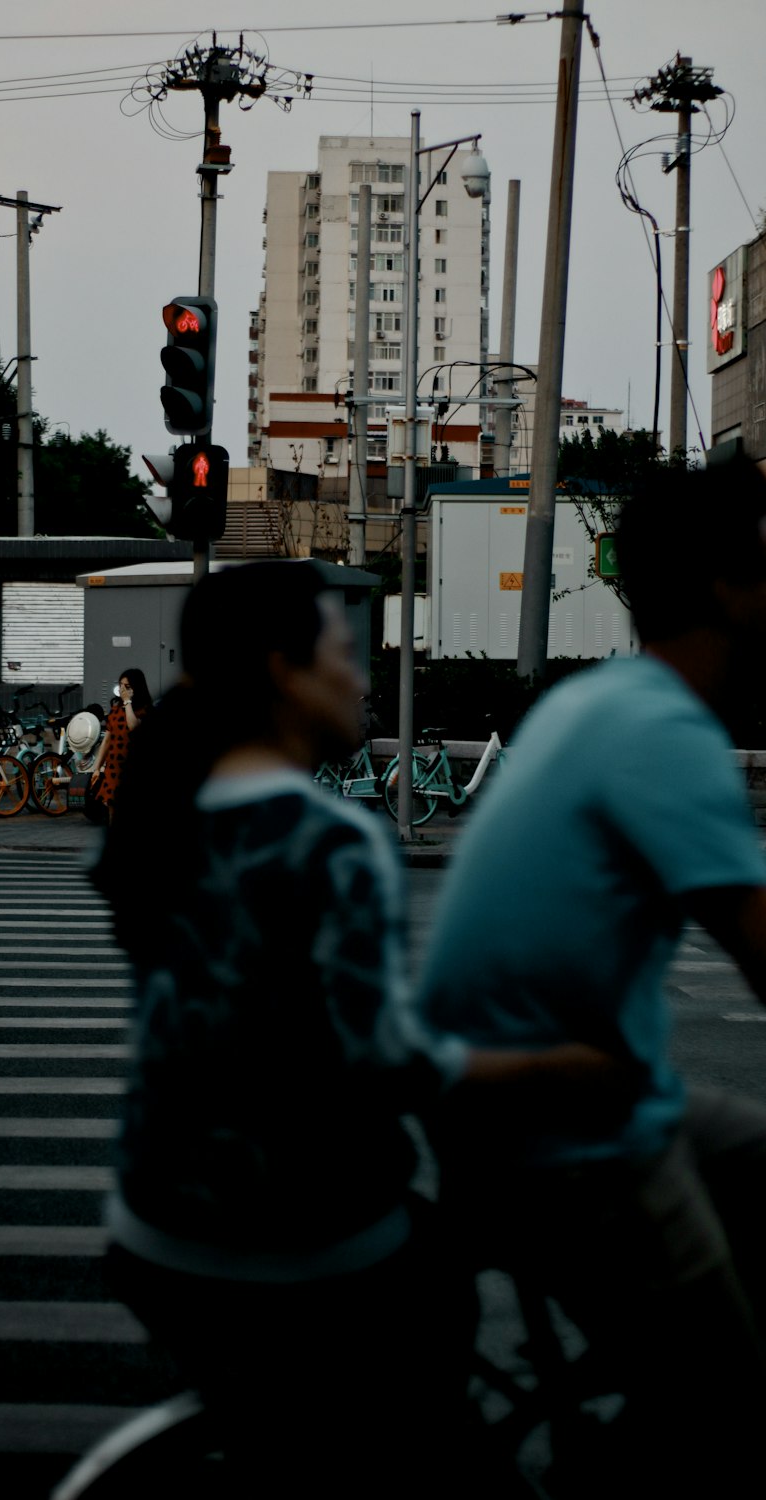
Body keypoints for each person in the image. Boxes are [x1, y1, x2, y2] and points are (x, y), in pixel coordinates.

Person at [95, 560, 631, 1492]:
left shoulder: (164, 819)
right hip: (298, 1241)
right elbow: (379, 1061)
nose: (363, 677)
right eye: (345, 655)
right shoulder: (331, 837)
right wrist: (557, 1069)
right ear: (281, 670)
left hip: (152, 1231)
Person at [418, 456, 766, 1488]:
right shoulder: (664, 735)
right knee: (727, 1410)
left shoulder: (600, 702)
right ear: (724, 584)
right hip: (566, 1130)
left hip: (525, 1092)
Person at [90, 668, 151, 822]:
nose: (123, 690)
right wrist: (97, 767)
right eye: (121, 686)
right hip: (114, 768)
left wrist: (128, 702)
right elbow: (107, 740)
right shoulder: (115, 710)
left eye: (128, 687)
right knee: (112, 809)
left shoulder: (144, 709)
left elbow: (133, 726)